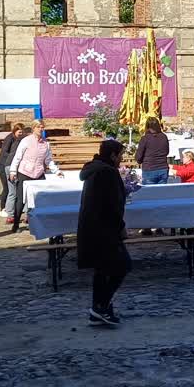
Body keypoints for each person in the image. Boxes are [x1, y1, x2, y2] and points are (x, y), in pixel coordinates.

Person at [77, 138, 131, 327]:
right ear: (113, 155)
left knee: (103, 270)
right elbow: (111, 205)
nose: (122, 159)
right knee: (122, 266)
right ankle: (100, 307)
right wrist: (120, 227)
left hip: (94, 227)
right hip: (104, 229)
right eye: (120, 155)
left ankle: (100, 309)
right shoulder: (107, 172)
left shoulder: (95, 169)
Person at [8, 120, 63, 233]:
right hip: (25, 172)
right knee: (21, 200)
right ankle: (16, 224)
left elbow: (48, 160)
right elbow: (18, 156)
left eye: (42, 127)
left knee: (39, 200)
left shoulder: (46, 143)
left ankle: (36, 223)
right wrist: (13, 171)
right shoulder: (26, 141)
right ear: (33, 128)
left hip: (38, 173)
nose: (41, 129)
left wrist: (56, 171)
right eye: (38, 127)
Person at [0, 123, 25, 222]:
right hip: (4, 164)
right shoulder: (10, 138)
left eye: (22, 132)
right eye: (19, 132)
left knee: (12, 188)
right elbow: (5, 152)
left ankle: (12, 208)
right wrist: (12, 159)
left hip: (11, 164)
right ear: (15, 131)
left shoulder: (19, 139)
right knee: (7, 187)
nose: (21, 134)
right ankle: (3, 208)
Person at [134, 116, 170, 185]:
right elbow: (167, 152)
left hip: (149, 169)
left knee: (150, 191)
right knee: (162, 191)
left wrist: (139, 161)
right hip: (162, 168)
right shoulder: (164, 137)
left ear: (147, 126)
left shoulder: (145, 138)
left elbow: (139, 156)